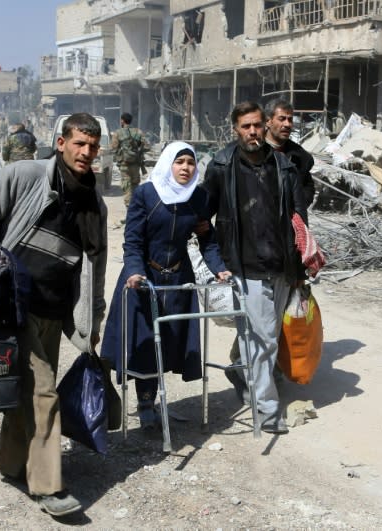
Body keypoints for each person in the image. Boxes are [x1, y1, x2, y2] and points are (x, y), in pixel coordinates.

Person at [0, 113, 108, 517]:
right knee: (43, 394)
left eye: (92, 146)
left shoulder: (94, 200)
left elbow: (96, 263)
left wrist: (93, 317)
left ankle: (8, 463)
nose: (86, 153)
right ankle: (48, 488)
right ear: (61, 143)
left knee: (28, 393)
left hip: (55, 313)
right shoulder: (24, 176)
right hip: (14, 309)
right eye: (79, 144)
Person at [100, 142, 229, 429]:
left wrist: (219, 269)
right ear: (168, 163)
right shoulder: (147, 194)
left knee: (171, 341)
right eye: (179, 162)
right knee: (145, 341)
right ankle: (145, 402)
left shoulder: (198, 198)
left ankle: (156, 399)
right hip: (144, 278)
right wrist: (134, 271)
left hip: (179, 278)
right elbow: (133, 240)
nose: (185, 168)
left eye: (191, 163)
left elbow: (207, 240)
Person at [200, 101, 308, 435]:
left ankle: (240, 372)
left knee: (268, 337)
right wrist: (217, 263)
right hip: (243, 268)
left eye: (257, 125)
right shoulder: (221, 165)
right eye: (246, 126)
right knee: (262, 341)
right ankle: (268, 409)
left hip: (281, 267)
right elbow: (204, 219)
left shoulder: (283, 167)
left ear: (265, 127)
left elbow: (299, 217)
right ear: (235, 128)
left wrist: (302, 263)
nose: (252, 132)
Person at [264, 99, 315, 207]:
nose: (287, 124)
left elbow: (307, 188)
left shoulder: (300, 157)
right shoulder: (251, 151)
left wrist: (295, 207)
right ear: (268, 121)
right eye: (282, 119)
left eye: (290, 120)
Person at [110, 112, 149, 221]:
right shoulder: (138, 132)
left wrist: (119, 154)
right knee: (135, 187)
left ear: (122, 120)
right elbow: (147, 146)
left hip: (124, 165)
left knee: (127, 188)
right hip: (136, 165)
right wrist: (138, 152)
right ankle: (137, 212)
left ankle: (130, 215)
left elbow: (113, 147)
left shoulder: (117, 133)